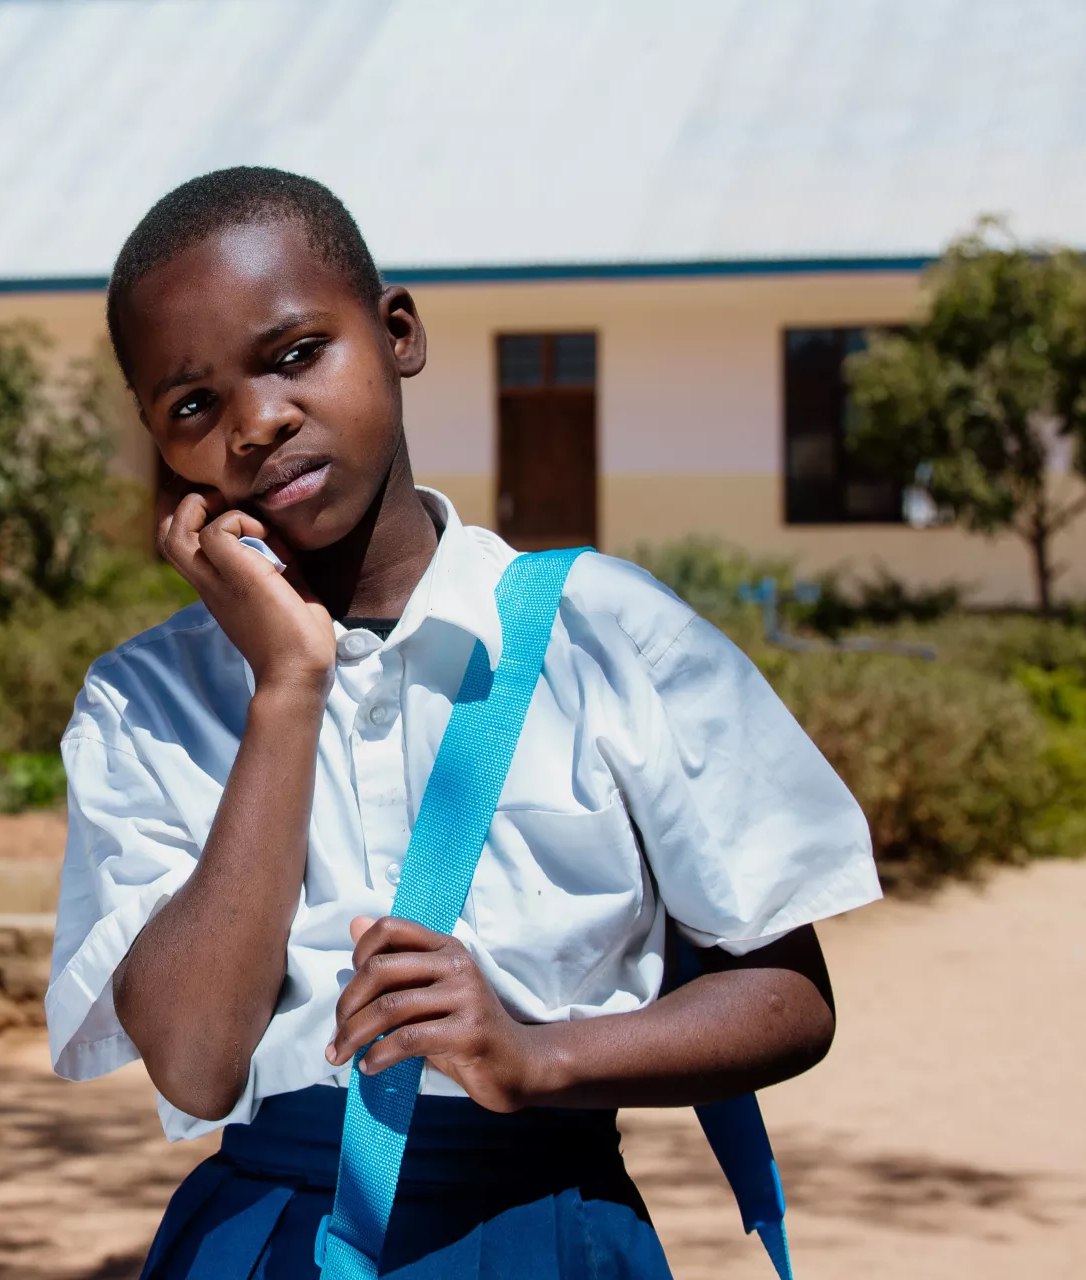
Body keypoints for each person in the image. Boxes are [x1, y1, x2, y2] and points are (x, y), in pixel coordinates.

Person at [46, 167, 880, 1278]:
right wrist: (287, 688)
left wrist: (538, 1055)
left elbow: (788, 995)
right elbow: (195, 1068)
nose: (258, 421)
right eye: (192, 405)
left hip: (545, 1226)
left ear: (397, 333)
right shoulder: (144, 701)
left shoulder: (606, 633)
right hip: (268, 1241)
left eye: (297, 353)